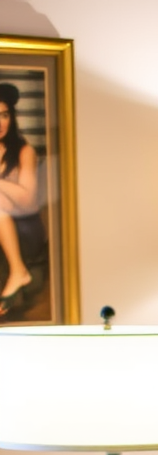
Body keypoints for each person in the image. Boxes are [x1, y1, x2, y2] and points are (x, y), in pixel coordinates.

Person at [0, 81, 44, 314]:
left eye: (4, 115)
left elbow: (27, 200)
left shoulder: (24, 151)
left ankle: (19, 271)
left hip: (25, 227)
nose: (0, 123)